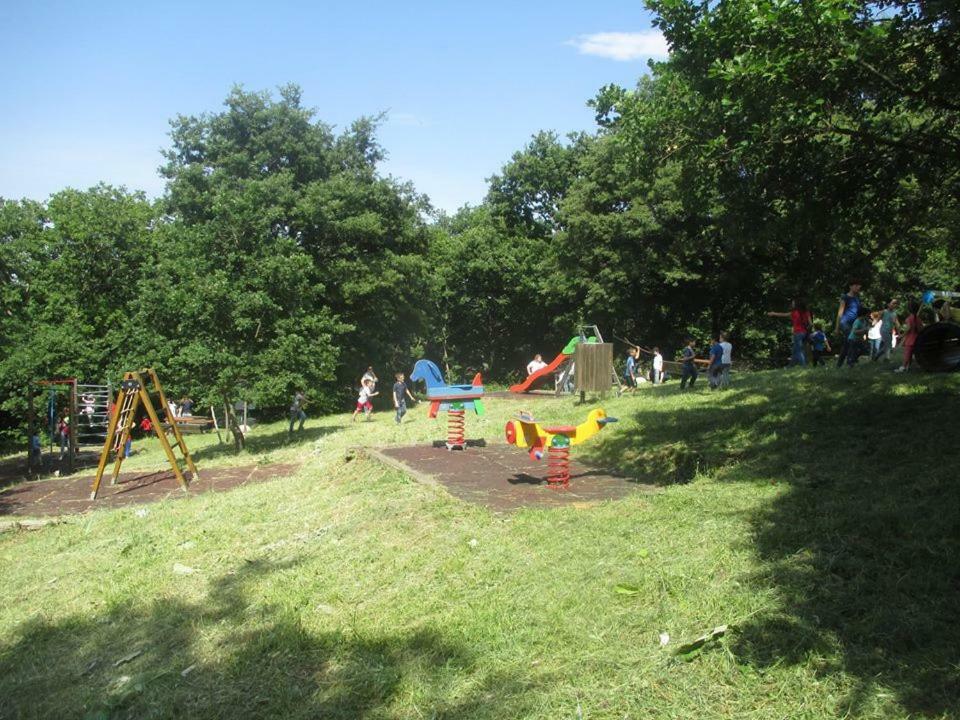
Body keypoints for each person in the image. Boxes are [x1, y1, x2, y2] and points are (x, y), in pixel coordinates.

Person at [767, 299, 812, 366]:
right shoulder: (806, 312)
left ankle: (804, 366)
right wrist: (806, 329)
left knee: (799, 351)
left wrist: (773, 313)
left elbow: (783, 314)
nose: (792, 304)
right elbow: (811, 324)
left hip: (797, 333)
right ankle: (789, 366)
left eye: (793, 303)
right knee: (794, 350)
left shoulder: (794, 313)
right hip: (804, 333)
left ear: (797, 304)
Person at [835, 282, 863, 367]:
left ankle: (839, 365)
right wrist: (837, 327)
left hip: (854, 324)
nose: (858, 287)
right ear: (850, 286)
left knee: (847, 344)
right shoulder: (845, 297)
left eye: (859, 285)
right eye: (856, 285)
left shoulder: (857, 298)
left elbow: (859, 313)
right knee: (852, 341)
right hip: (845, 323)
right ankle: (850, 363)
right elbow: (840, 313)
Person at [895, 300, 923, 372]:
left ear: (909, 309)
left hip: (910, 339)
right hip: (918, 339)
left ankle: (903, 367)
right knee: (915, 354)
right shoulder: (918, 319)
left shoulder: (909, 319)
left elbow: (908, 328)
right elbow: (921, 329)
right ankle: (909, 366)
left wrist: (901, 335)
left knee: (907, 355)